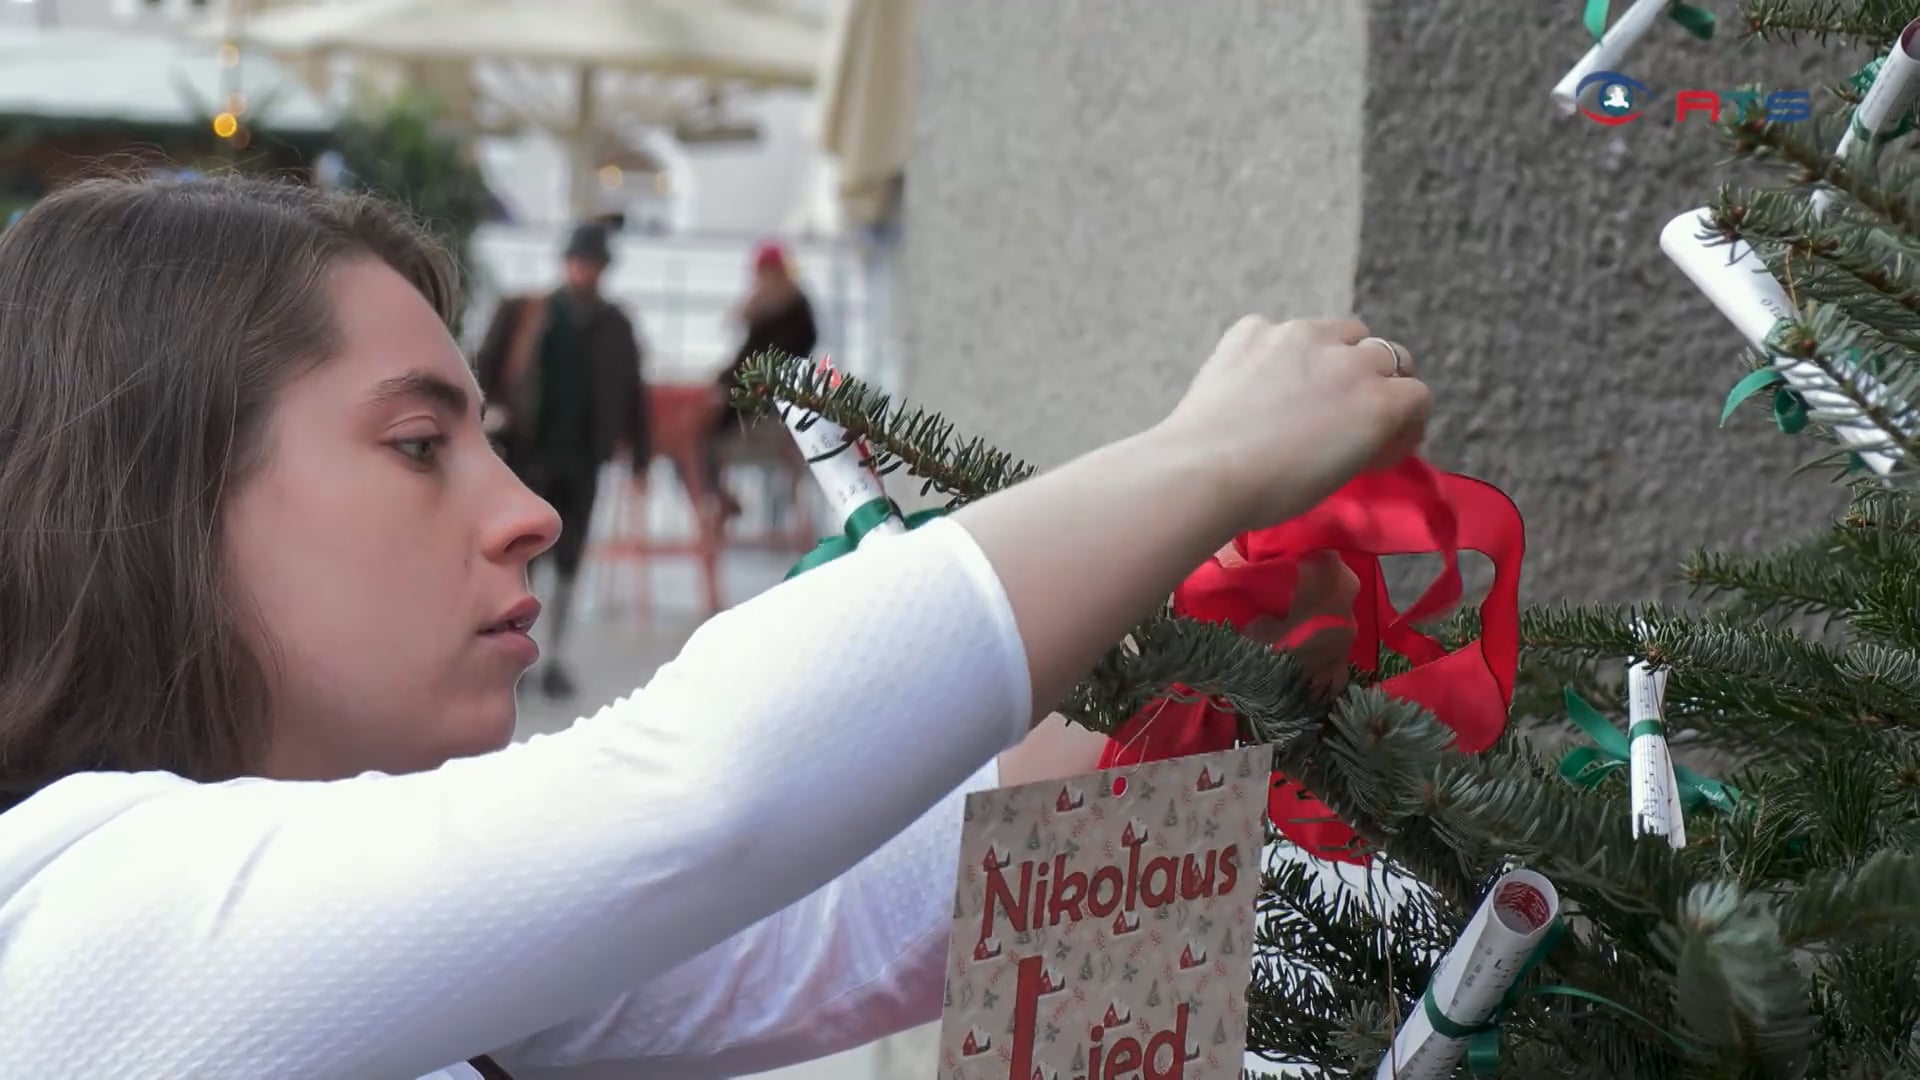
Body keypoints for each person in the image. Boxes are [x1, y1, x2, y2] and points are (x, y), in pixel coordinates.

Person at [0, 175, 1427, 1080]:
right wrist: (1200, 462)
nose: (528, 514)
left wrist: (1213, 608)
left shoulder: (445, 962)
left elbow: (855, 898)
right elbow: (707, 797)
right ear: (155, 492)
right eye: (421, 446)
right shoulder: (77, 925)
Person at [475, 222, 649, 699]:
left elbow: (633, 393)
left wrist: (639, 459)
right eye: (578, 261)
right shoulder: (527, 313)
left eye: (591, 263)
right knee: (522, 556)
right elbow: (481, 373)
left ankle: (552, 656)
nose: (583, 271)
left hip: (584, 458)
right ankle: (515, 652)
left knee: (570, 560)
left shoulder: (615, 324)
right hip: (527, 456)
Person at [706, 240, 818, 518]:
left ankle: (716, 497)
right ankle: (717, 495)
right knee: (700, 424)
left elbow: (766, 362)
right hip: (753, 392)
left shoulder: (789, 310)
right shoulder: (771, 307)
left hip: (765, 400)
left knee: (703, 429)